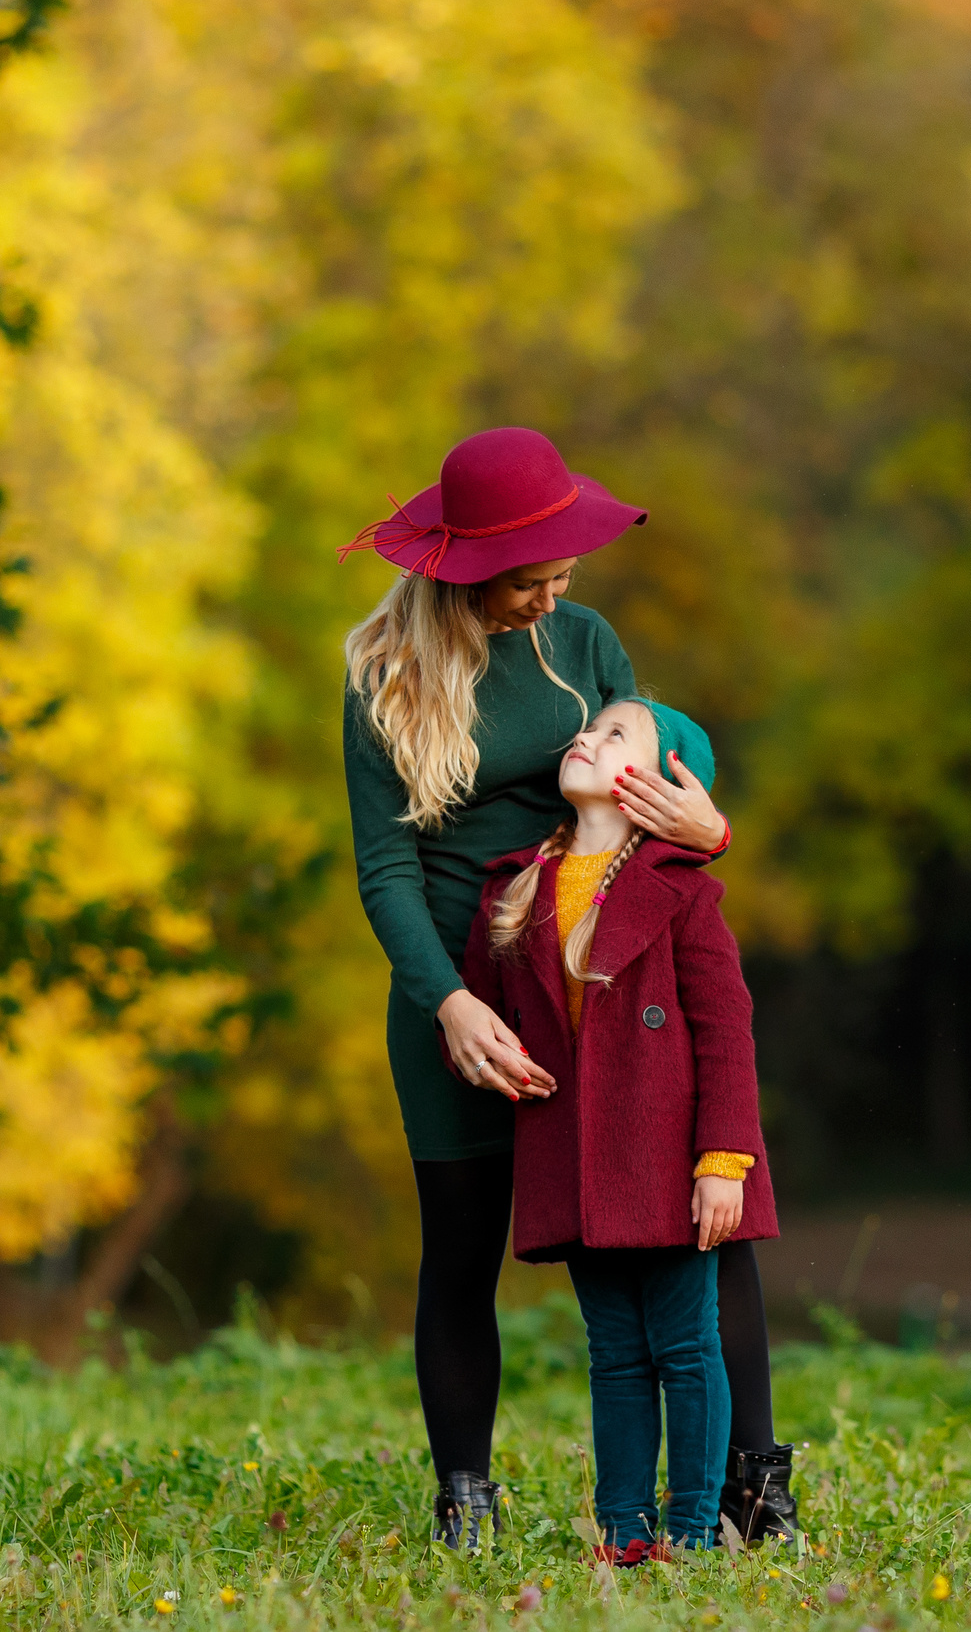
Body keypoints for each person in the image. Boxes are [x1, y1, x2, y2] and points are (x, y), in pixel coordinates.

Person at [338, 427, 798, 1549]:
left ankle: (753, 1484)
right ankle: (465, 1496)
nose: (551, 598)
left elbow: (646, 784)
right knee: (461, 1241)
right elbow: (385, 865)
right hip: (462, 983)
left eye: (560, 575)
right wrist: (447, 1003)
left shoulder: (582, 641)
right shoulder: (383, 680)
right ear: (461, 574)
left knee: (703, 1222)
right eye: (528, 581)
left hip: (589, 974)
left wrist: (714, 826)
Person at [460, 698, 778, 1560]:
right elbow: (489, 1012)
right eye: (588, 727)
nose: (586, 738)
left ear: (662, 783)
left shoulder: (684, 893)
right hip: (576, 1160)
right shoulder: (517, 884)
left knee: (685, 1345)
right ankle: (624, 1529)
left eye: (614, 735)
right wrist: (484, 1051)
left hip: (670, 1159)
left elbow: (726, 1029)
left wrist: (725, 1159)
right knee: (613, 1355)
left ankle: (691, 1530)